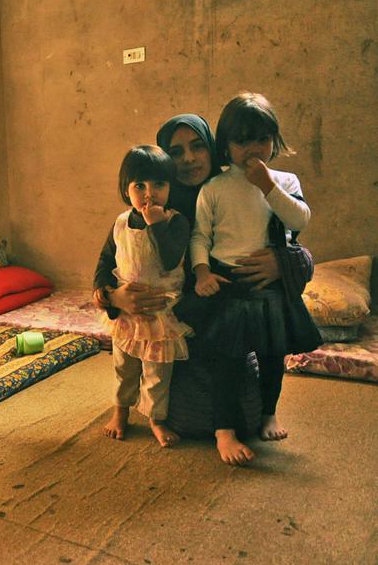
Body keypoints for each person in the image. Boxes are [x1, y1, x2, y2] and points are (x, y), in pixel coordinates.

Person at [96, 109, 315, 466]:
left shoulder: (248, 190)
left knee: (244, 416)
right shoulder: (156, 203)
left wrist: (286, 261)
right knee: (182, 416)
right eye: (177, 152)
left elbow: (297, 238)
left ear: (214, 149)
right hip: (169, 330)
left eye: (198, 146)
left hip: (229, 321)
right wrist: (111, 296)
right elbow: (110, 260)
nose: (189, 159)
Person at [188, 92, 322, 460]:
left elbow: (300, 221)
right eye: (242, 140)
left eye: (262, 139)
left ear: (274, 140)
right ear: (225, 145)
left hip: (270, 285)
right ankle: (224, 431)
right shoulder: (214, 188)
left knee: (272, 354)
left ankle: (268, 413)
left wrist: (267, 185)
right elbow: (200, 235)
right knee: (227, 359)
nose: (253, 149)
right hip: (228, 282)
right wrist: (201, 271)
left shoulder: (285, 181)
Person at [94, 145, 192, 447]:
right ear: (126, 189)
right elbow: (105, 261)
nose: (149, 194)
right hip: (126, 314)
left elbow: (171, 259)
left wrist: (157, 224)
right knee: (124, 367)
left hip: (161, 315)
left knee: (158, 374)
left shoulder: (175, 222)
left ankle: (155, 419)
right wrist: (102, 290)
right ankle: (120, 411)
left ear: (171, 187)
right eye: (140, 186)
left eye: (159, 185)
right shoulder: (120, 223)